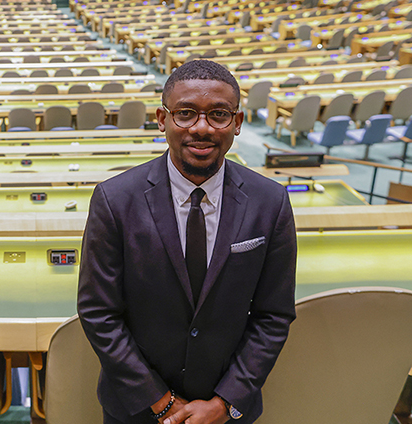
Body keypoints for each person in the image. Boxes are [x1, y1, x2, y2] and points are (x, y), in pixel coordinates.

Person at [78, 60, 297, 424]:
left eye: (219, 115)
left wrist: (225, 402)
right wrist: (163, 402)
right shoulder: (115, 200)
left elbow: (273, 316)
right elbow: (99, 313)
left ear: (238, 123)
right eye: (185, 114)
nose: (201, 128)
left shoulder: (270, 202)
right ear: (162, 120)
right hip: (137, 408)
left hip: (226, 412)